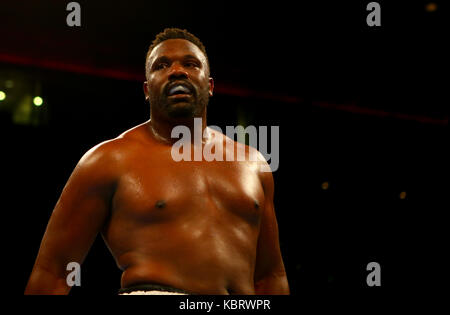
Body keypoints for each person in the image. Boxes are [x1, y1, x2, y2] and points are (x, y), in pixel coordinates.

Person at [24, 28, 289, 295]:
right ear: (147, 89)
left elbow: (270, 276)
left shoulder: (252, 163)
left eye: (190, 64)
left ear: (209, 86)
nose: (177, 71)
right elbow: (53, 272)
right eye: (162, 65)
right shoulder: (107, 160)